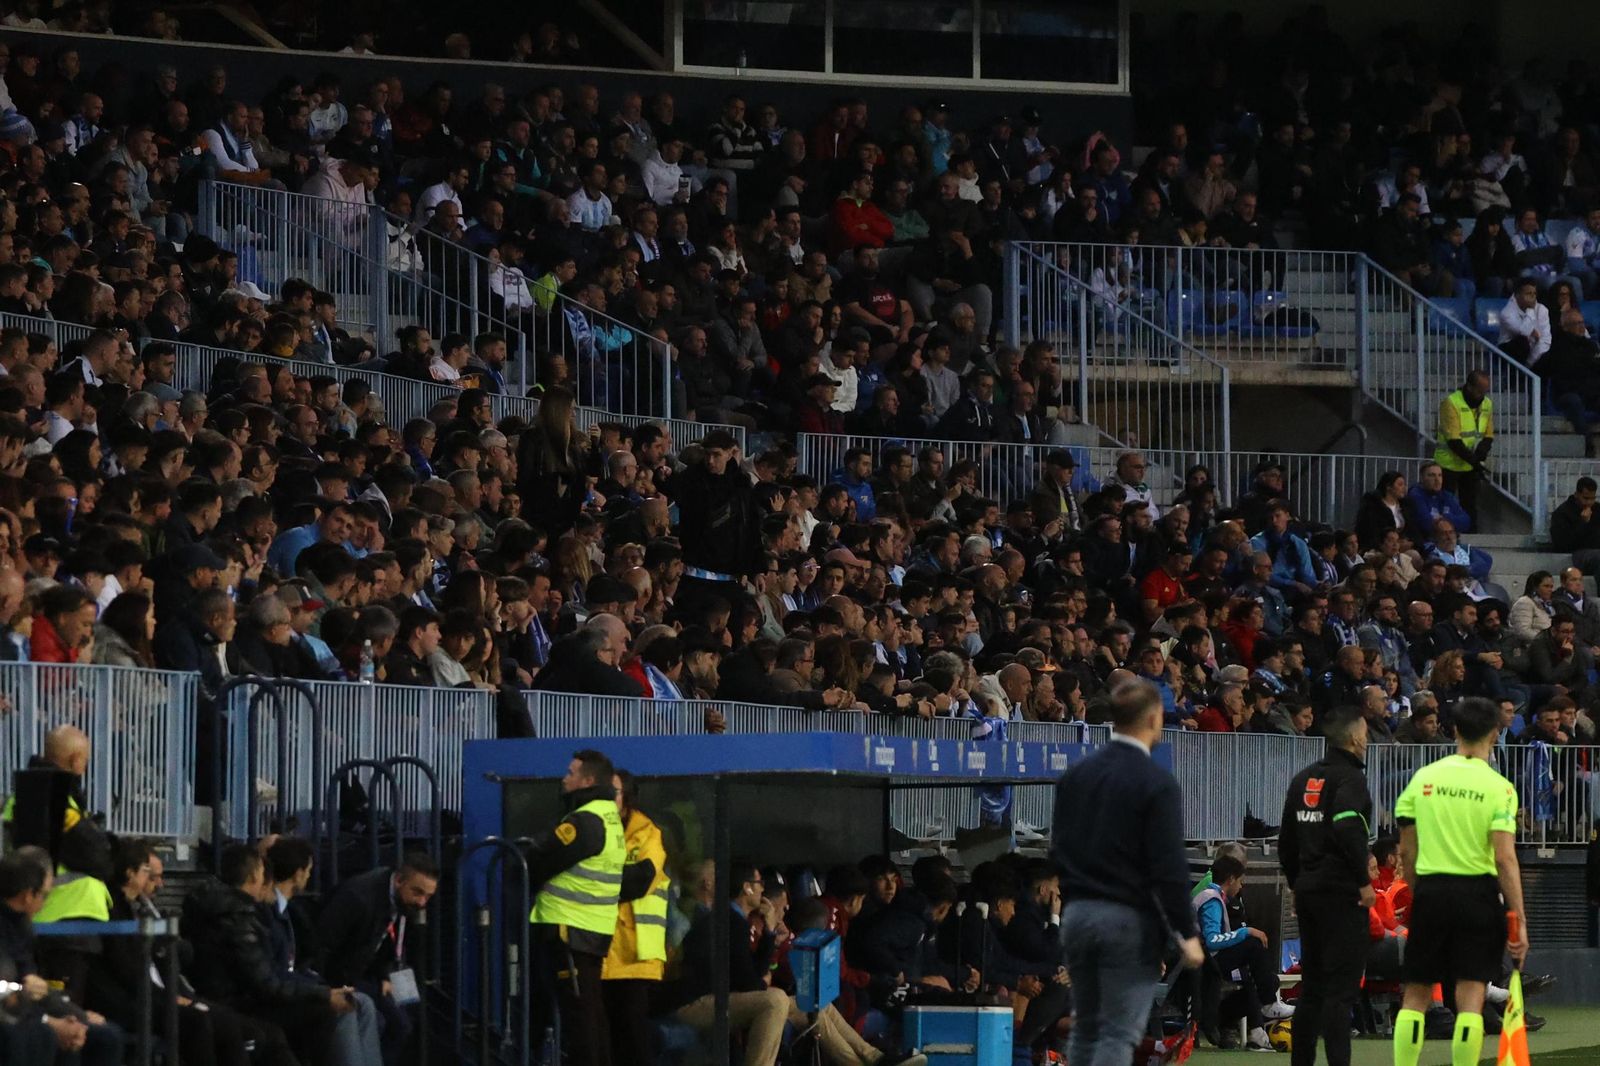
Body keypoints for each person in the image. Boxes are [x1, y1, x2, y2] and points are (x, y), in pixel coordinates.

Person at [1051, 681, 1203, 1066]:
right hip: (1127, 920)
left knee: (1086, 1028)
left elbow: (1058, 849)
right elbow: (1168, 867)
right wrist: (1185, 932)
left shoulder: (1076, 775)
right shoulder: (1156, 782)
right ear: (1154, 719)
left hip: (1078, 916)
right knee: (1117, 1033)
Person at [1391, 696, 1528, 1066]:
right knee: (1471, 994)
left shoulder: (1424, 779)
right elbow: (1504, 858)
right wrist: (1519, 917)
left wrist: (1420, 894)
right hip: (1478, 896)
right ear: (1496, 733)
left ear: (1454, 730)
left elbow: (1406, 852)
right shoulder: (1500, 788)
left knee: (1416, 992)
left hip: (1433, 890)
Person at [1278, 703, 1373, 1066]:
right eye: (1364, 731)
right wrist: (1363, 882)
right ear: (1354, 738)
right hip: (1341, 894)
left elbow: (1286, 839)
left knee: (1313, 989)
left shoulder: (1303, 778)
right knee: (1340, 992)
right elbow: (1348, 824)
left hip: (1309, 892)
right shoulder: (1350, 779)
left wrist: (1296, 882)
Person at [526, 750, 628, 1066]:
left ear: (587, 780)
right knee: (591, 1014)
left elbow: (540, 857)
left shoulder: (585, 821)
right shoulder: (609, 817)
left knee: (580, 1020)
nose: (564, 778)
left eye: (571, 773)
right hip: (591, 931)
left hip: (570, 929)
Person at [314, 852, 439, 1064]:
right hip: (339, 977)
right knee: (380, 1021)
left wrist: (384, 974)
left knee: (405, 1025)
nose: (422, 902)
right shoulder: (358, 897)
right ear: (399, 880)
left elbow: (383, 940)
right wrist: (325, 989)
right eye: (418, 893)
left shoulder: (397, 898)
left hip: (369, 973)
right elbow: (322, 946)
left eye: (428, 896)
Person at [601, 768, 670, 1066]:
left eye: (613, 792)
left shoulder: (648, 834)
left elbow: (639, 881)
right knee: (602, 1046)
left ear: (626, 799)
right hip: (598, 957)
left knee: (634, 1044)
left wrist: (594, 879)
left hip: (637, 962)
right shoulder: (593, 830)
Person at [1433, 371, 1494, 524]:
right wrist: (1475, 462)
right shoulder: (1451, 403)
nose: (1482, 396)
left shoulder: (1486, 403)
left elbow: (1488, 433)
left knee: (1470, 506)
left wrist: (1482, 451)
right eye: (1479, 391)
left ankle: (1471, 538)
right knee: (1445, 505)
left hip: (1469, 464)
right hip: (1448, 464)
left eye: (1485, 391)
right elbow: (1454, 441)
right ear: (1469, 387)